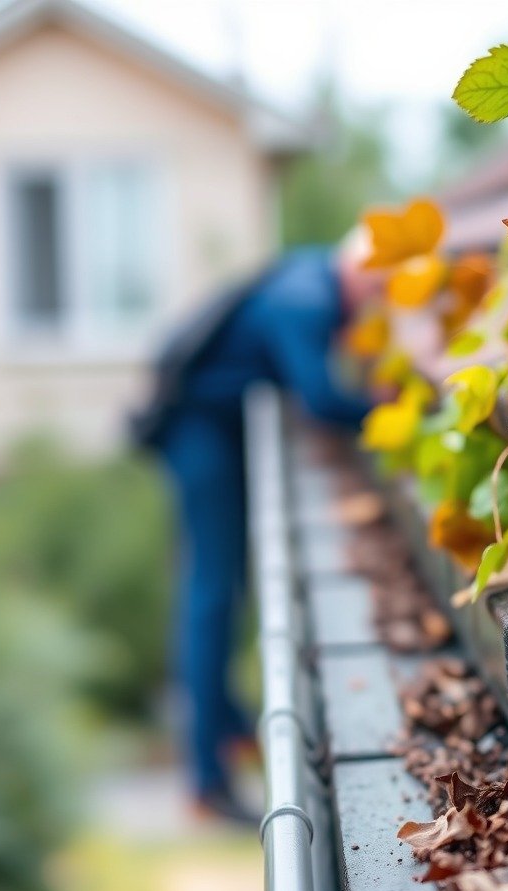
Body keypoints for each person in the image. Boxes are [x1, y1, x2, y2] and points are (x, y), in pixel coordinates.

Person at [132, 243, 378, 823]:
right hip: (198, 432)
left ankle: (228, 725)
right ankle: (205, 780)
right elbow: (320, 397)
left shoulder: (311, 272)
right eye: (381, 291)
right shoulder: (306, 302)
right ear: (363, 276)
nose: (379, 306)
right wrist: (385, 405)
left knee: (221, 584)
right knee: (211, 594)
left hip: (213, 427)